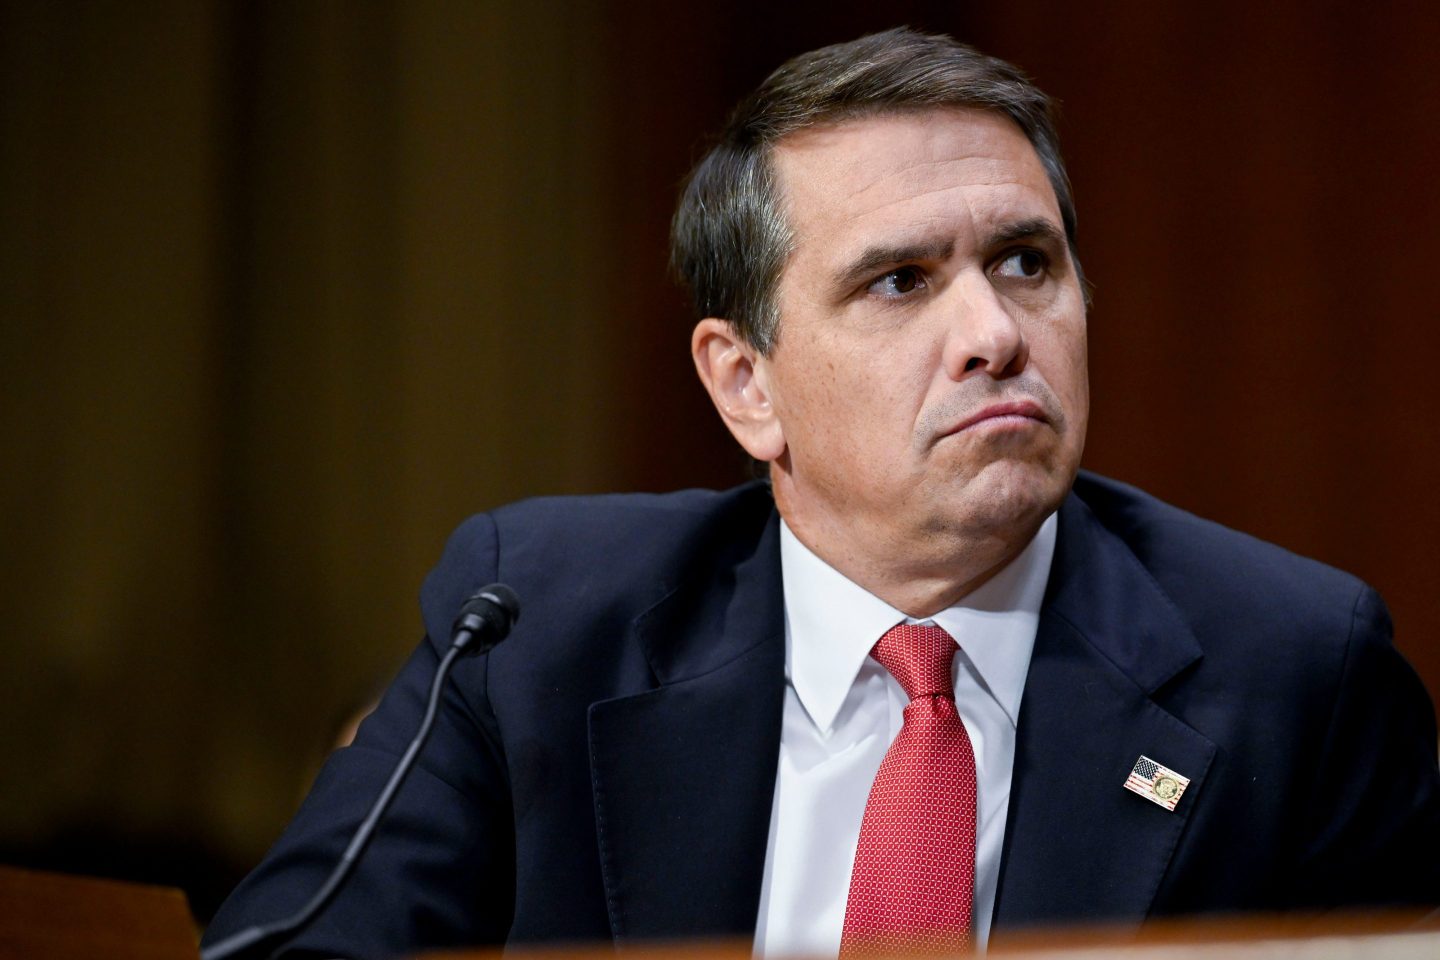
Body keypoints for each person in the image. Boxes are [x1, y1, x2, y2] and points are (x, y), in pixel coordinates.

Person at [204, 27, 1440, 958]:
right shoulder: (535, 625)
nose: (994, 333)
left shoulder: (1292, 671)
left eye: (1026, 262)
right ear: (746, 384)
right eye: (900, 281)